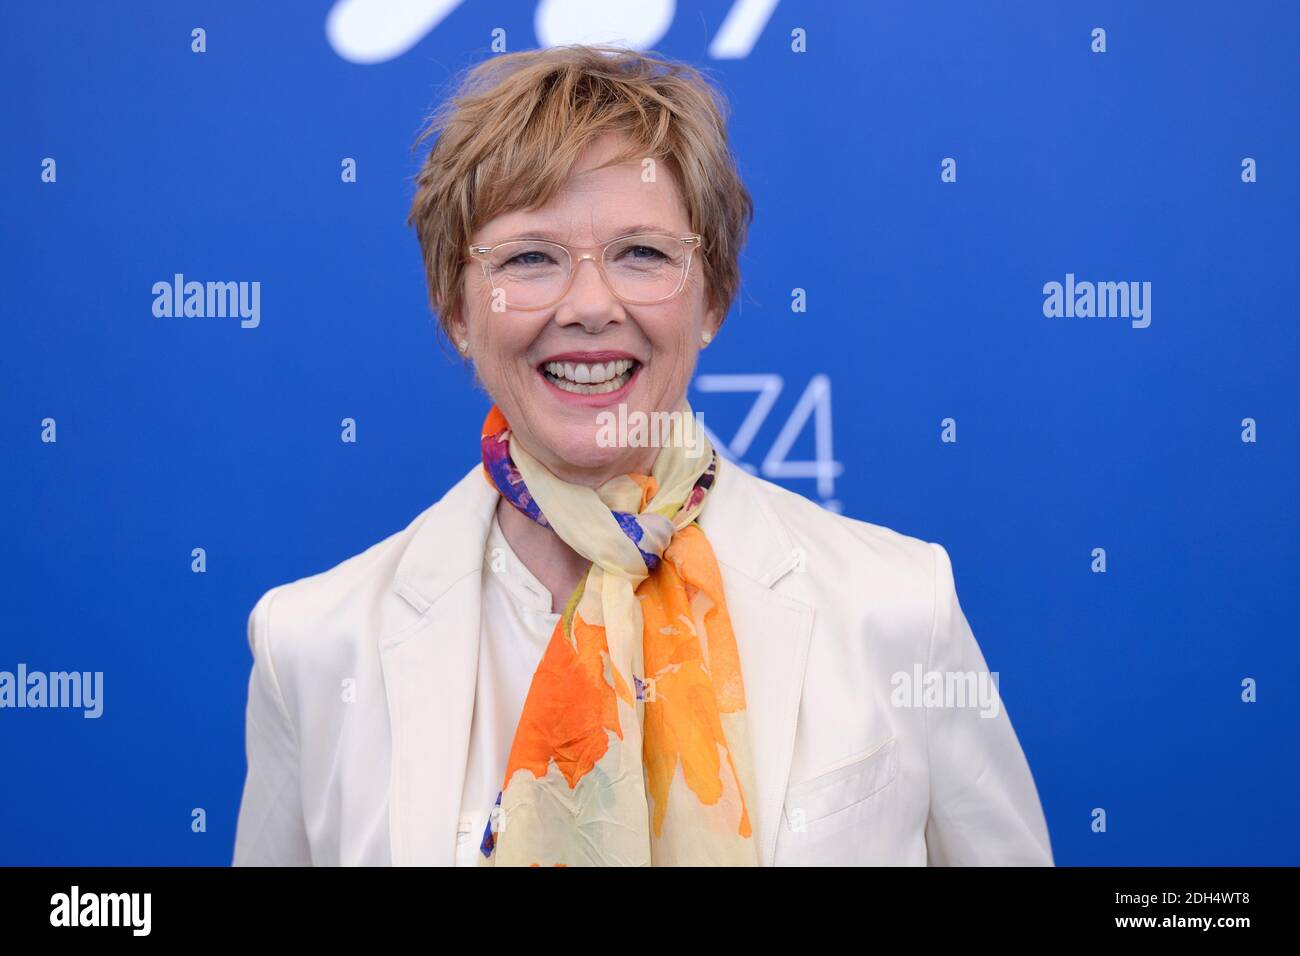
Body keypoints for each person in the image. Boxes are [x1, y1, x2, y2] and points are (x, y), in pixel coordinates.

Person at [232, 44, 1053, 867]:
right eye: (529, 257)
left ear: (715, 297)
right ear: (456, 307)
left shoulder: (900, 605)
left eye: (643, 254)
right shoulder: (313, 645)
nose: (591, 306)